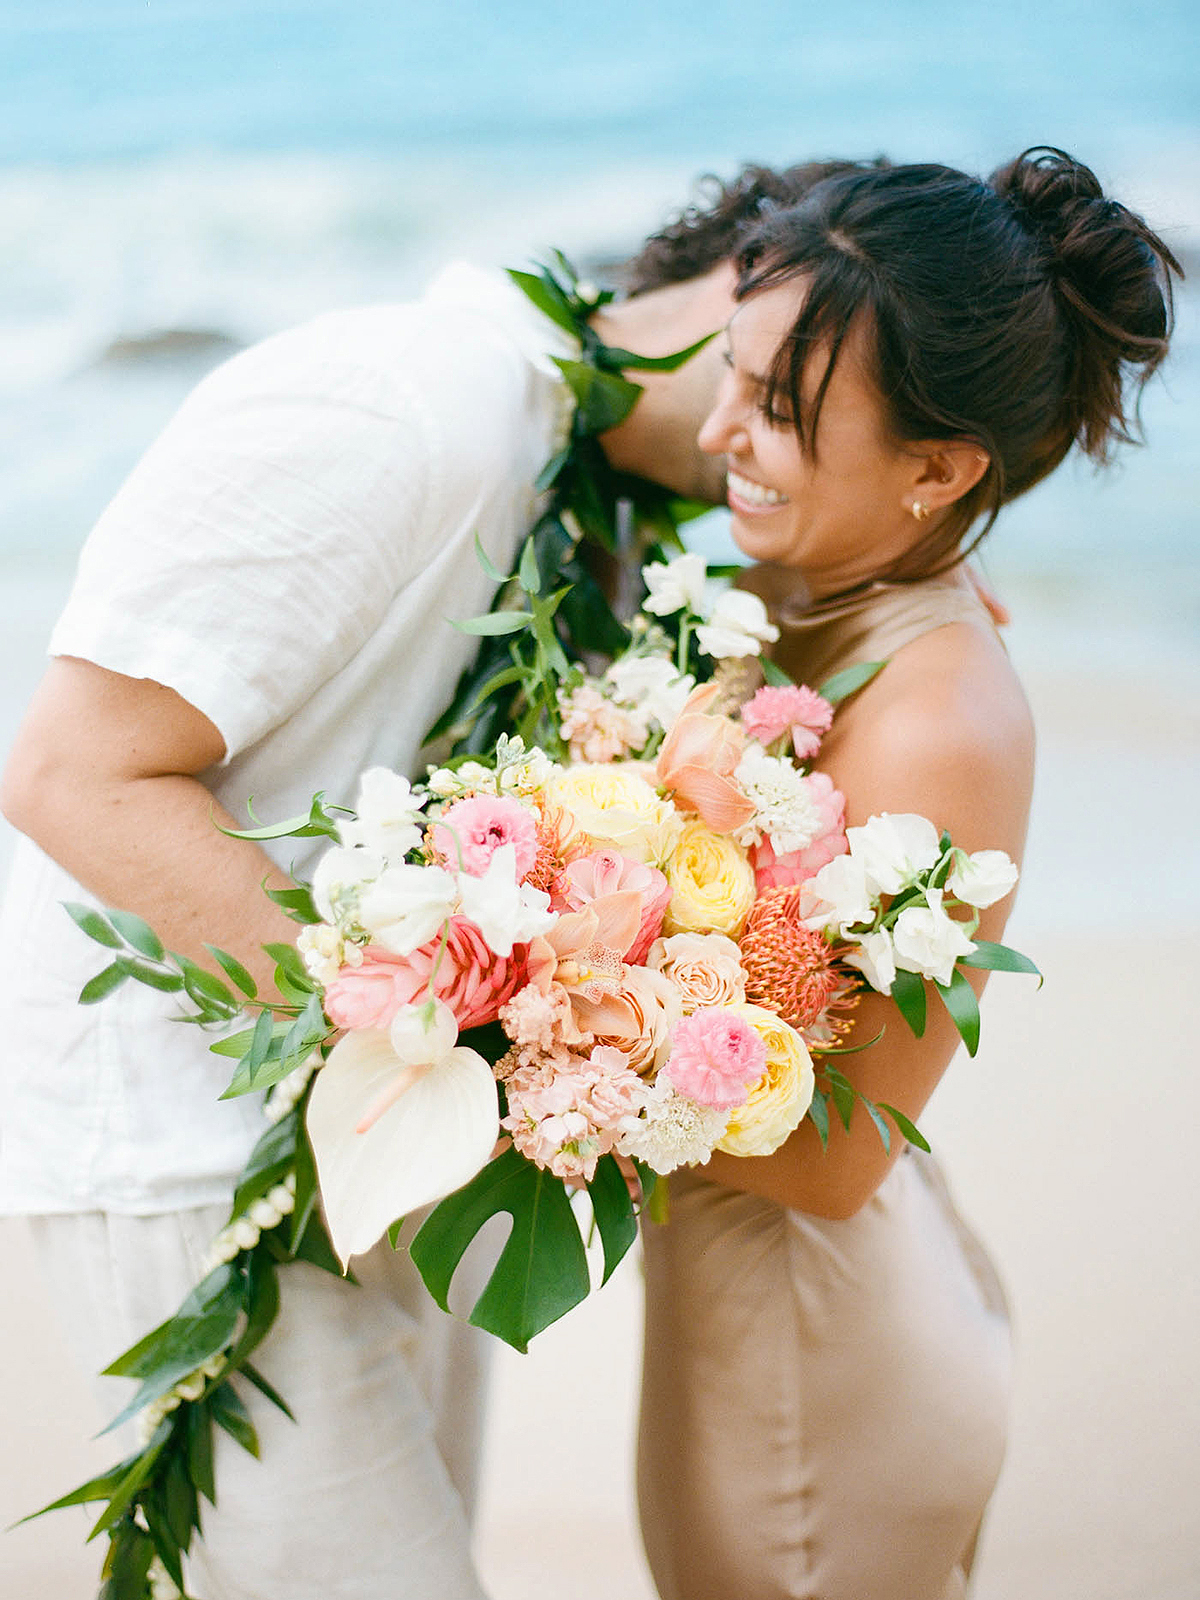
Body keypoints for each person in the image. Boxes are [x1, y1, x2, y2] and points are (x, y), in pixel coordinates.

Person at [0, 160, 859, 1599]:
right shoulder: (410, 406)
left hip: (387, 1134)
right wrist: (442, 1041)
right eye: (854, 386)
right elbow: (68, 774)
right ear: (756, 283)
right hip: (195, 1134)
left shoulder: (596, 502)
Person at [636, 148, 1179, 1600]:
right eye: (732, 377)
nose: (725, 435)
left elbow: (833, 1155)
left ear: (939, 473)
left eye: (784, 413)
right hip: (748, 1318)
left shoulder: (943, 718)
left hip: (817, 1376)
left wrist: (513, 1035)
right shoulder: (812, 575)